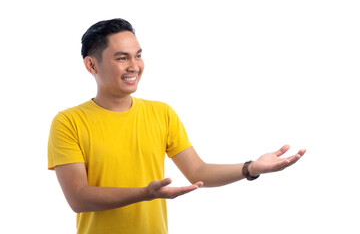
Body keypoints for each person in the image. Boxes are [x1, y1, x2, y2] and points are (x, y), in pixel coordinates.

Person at [48, 18, 306, 234]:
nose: (134, 66)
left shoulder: (161, 113)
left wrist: (250, 168)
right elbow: (78, 198)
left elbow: (198, 171)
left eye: (138, 55)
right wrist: (145, 193)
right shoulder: (69, 122)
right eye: (121, 58)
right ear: (91, 64)